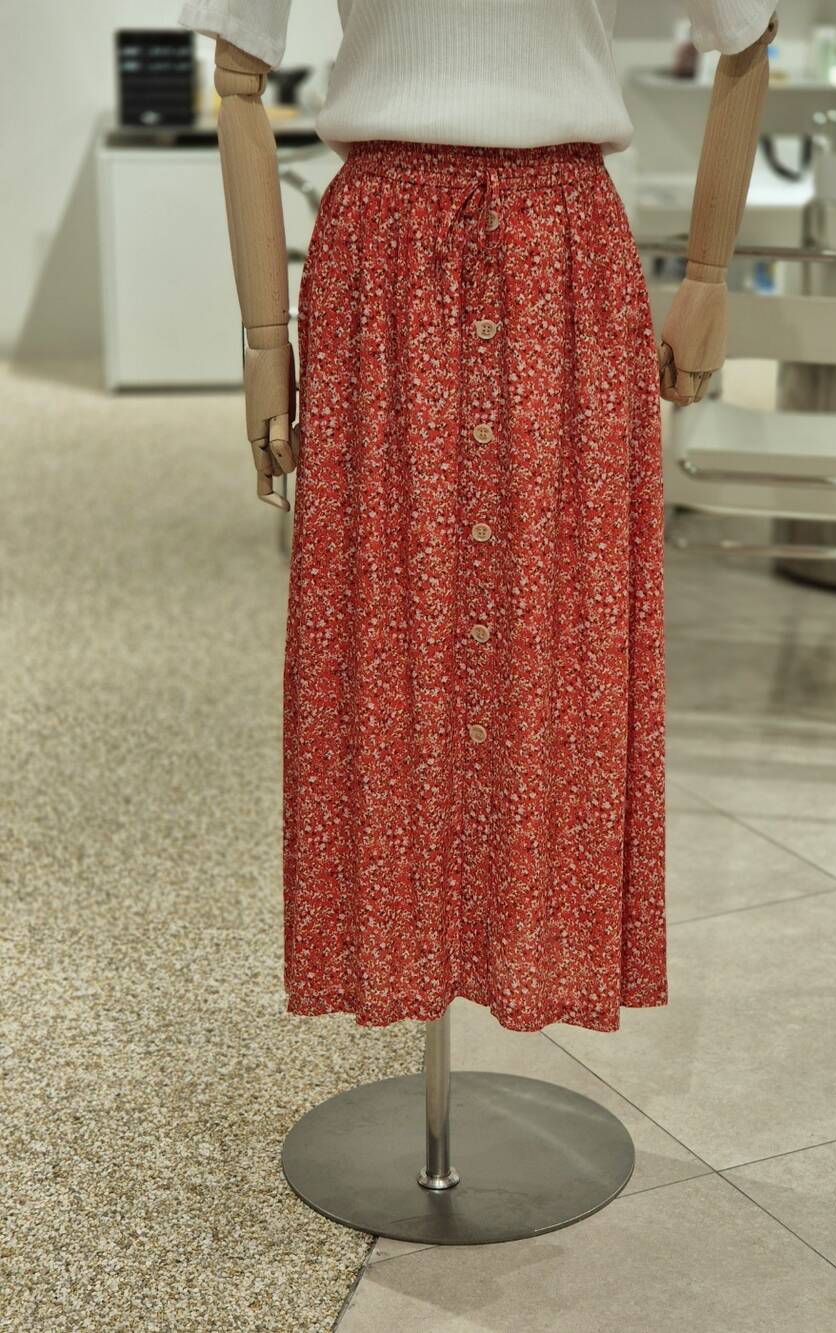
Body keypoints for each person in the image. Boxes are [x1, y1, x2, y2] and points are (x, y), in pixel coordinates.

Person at [178, 0, 777, 1032]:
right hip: (382, 261)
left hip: (565, 253)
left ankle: (541, 952)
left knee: (566, 631)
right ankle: (391, 953)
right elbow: (239, 78)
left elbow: (747, 33)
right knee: (381, 630)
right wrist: (263, 341)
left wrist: (711, 276)